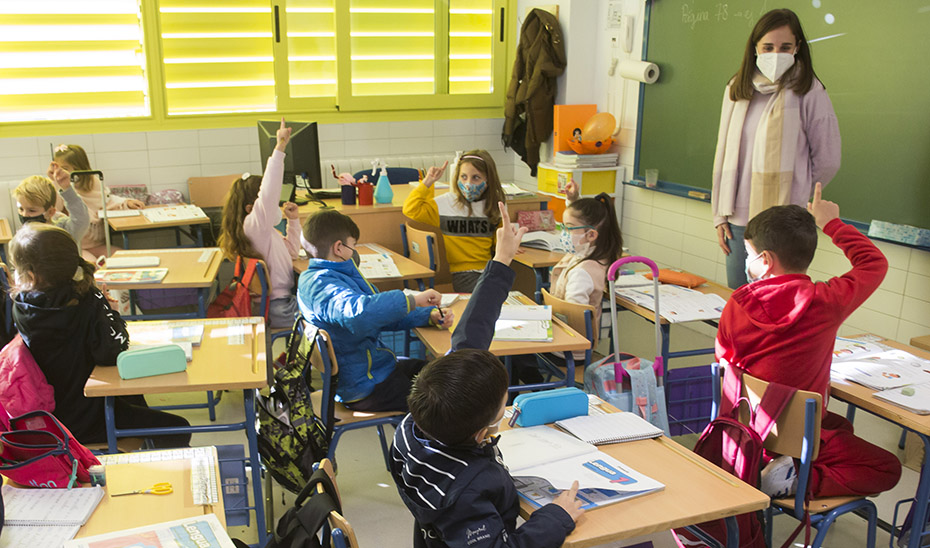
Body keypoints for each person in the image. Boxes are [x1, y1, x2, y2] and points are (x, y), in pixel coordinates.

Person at [390, 202, 584, 547]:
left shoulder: (416, 422)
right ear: (483, 432)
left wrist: (501, 260)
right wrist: (556, 516)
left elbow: (473, 330)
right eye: (503, 406)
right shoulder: (467, 490)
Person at [715, 183, 902, 498]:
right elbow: (874, 263)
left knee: (841, 427)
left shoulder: (738, 303)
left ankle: (784, 470)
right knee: (888, 468)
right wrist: (831, 223)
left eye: (748, 255)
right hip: (800, 434)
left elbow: (724, 363)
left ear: (765, 260)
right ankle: (797, 481)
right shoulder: (827, 301)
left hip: (748, 432)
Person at [9, 224, 190, 448]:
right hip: (89, 417)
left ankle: (135, 455)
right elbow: (113, 353)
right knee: (179, 427)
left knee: (137, 404)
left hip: (48, 417)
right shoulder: (84, 299)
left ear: (30, 275)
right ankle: (142, 463)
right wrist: (110, 313)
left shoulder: (20, 307)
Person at [711, 8, 841, 289]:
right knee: (740, 304)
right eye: (768, 47)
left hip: (782, 223)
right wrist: (719, 214)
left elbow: (828, 158)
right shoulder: (737, 87)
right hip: (737, 220)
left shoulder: (809, 90)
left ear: (798, 49)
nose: (775, 54)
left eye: (785, 47)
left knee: (775, 305)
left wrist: (796, 193)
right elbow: (723, 152)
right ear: (755, 48)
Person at [296, 209, 455, 412]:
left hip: (369, 369)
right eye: (353, 245)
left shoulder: (329, 276)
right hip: (365, 383)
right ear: (339, 248)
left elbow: (378, 316)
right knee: (438, 398)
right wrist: (412, 300)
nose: (355, 251)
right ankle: (419, 438)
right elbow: (361, 315)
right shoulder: (322, 285)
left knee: (437, 372)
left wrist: (426, 316)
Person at [511, 180, 622, 384]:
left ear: (591, 235)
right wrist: (572, 200)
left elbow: (574, 319)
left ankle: (536, 388)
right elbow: (585, 226)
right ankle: (536, 386)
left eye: (568, 228)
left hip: (567, 349)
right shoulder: (595, 255)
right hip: (568, 342)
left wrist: (539, 322)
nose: (563, 234)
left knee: (511, 348)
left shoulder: (582, 272)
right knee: (512, 333)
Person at [218, 119, 302, 329]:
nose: (275, 204)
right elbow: (269, 190)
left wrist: (293, 221)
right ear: (250, 209)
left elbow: (292, 252)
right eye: (268, 203)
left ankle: (293, 360)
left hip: (280, 303)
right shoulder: (254, 226)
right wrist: (280, 147)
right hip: (276, 307)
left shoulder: (266, 233)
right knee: (327, 318)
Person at [402, 150, 507, 292]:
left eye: (476, 178)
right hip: (463, 273)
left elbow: (499, 242)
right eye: (463, 177)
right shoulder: (446, 204)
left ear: (489, 179)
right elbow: (411, 209)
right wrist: (428, 182)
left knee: (502, 296)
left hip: (489, 269)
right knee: (490, 296)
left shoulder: (495, 204)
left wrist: (509, 242)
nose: (468, 184)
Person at [52, 144, 145, 261]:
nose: (63, 173)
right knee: (92, 265)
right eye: (60, 168)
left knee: (124, 257)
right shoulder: (60, 188)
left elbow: (107, 200)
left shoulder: (93, 181)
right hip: (76, 246)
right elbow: (54, 209)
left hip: (97, 244)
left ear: (81, 167)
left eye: (67, 168)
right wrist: (56, 183)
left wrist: (126, 202)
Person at [14, 163, 90, 245]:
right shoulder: (23, 236)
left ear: (50, 212)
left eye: (32, 210)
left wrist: (67, 188)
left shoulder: (63, 231)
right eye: (21, 209)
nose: (25, 215)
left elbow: (81, 219)